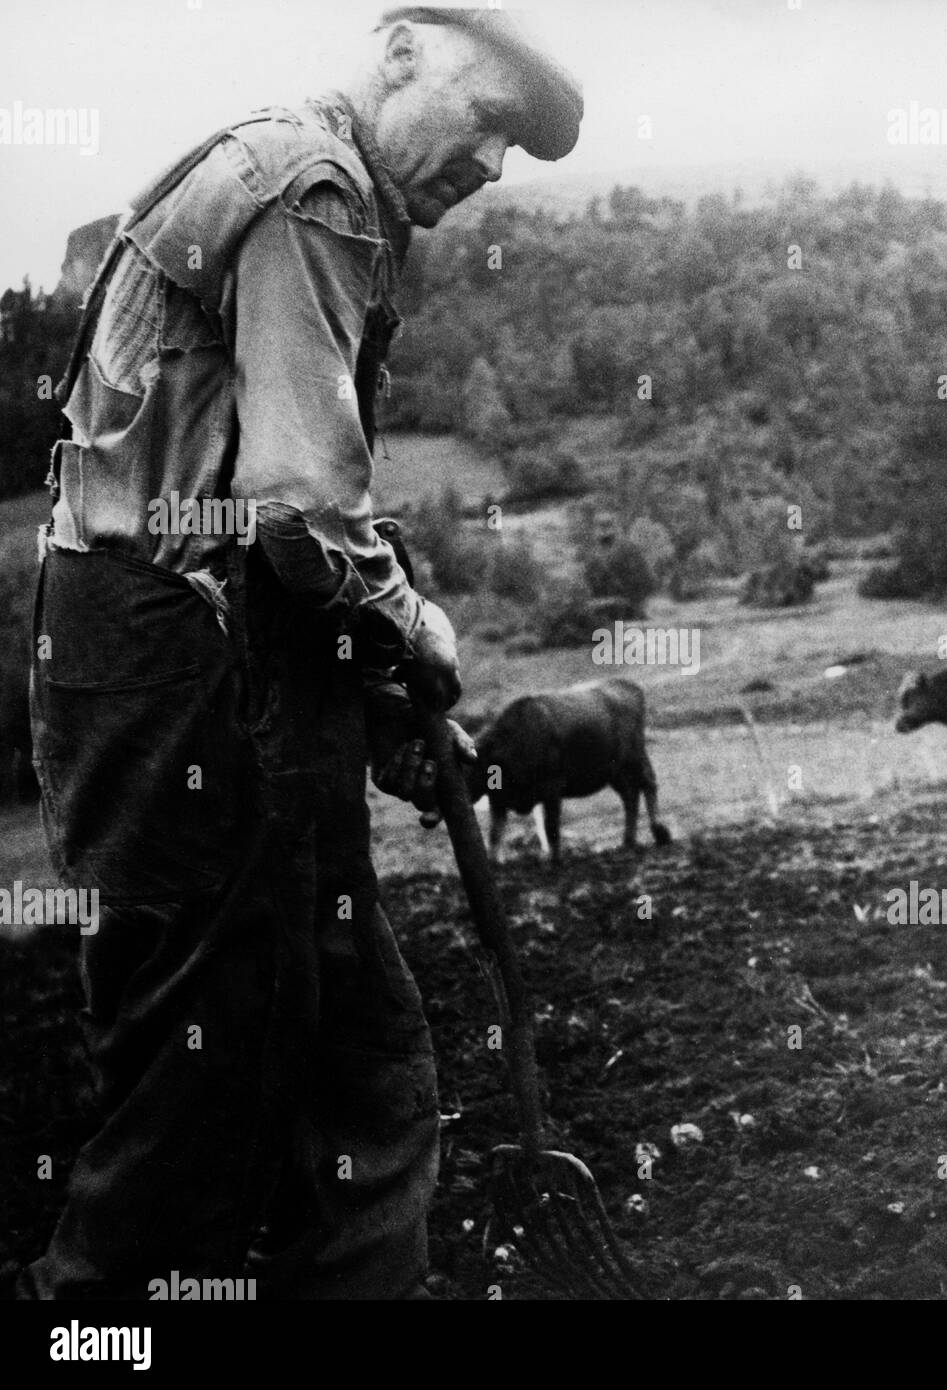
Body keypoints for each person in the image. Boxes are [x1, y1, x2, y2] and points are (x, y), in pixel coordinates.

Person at [15, 6, 581, 1300]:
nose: (493, 165)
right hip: (182, 657)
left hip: (210, 644)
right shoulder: (315, 185)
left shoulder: (320, 186)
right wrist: (411, 629)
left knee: (353, 1054)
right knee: (204, 1074)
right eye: (488, 118)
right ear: (398, 53)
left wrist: (379, 702)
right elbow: (296, 506)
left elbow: (278, 504)